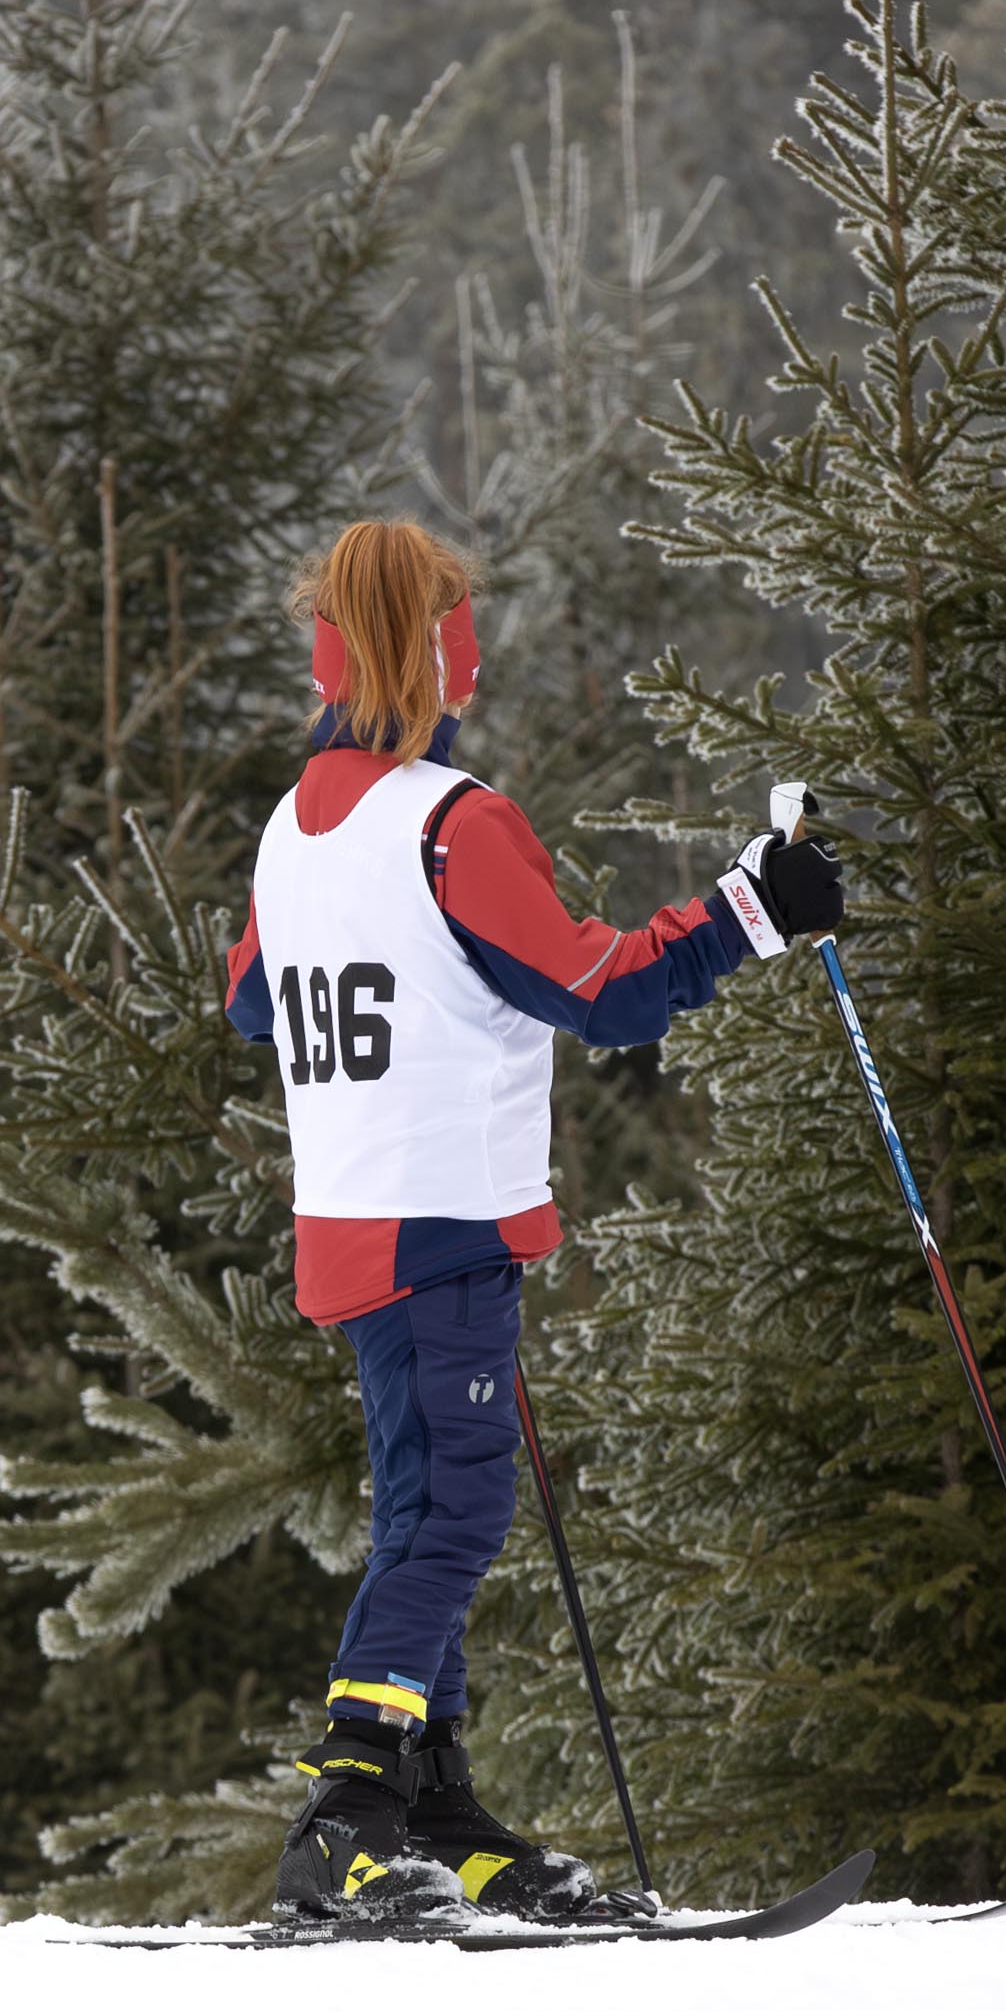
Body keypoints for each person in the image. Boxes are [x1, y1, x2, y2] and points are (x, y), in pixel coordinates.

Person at [222, 516, 842, 1924]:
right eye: (463, 630)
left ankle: (431, 1799)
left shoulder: (295, 823)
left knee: (420, 1506)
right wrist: (757, 907)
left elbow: (255, 998)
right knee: (454, 1513)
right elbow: (597, 988)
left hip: (353, 1221)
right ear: (435, 651)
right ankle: (351, 1802)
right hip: (440, 1219)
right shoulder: (451, 819)